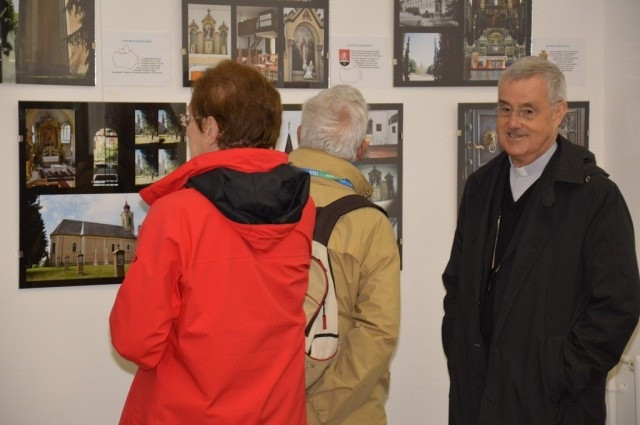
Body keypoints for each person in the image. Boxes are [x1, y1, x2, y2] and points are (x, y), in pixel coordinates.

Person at [109, 60, 315, 425]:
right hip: (276, 411)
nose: (187, 131)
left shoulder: (176, 214)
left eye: (189, 120)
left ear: (211, 128)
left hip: (187, 411)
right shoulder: (301, 207)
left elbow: (135, 340)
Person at [442, 55, 640, 424]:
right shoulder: (480, 188)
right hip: (477, 398)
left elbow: (617, 306)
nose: (513, 123)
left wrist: (559, 375)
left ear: (558, 113)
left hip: (554, 406)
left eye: (528, 111)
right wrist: (459, 350)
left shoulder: (595, 196)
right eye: (505, 109)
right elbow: (457, 284)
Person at [289, 84, 401, 425]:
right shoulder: (370, 224)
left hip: (266, 407)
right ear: (362, 148)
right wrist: (317, 412)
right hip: (348, 414)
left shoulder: (255, 205)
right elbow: (377, 333)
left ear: (299, 134)